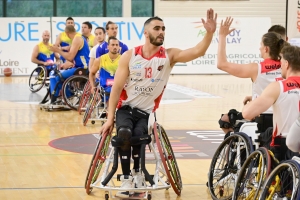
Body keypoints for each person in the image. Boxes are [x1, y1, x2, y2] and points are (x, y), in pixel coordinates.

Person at [99, 9, 217, 198]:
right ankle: (127, 178)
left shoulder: (169, 56)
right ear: (146, 33)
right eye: (157, 28)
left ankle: (138, 176)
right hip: (125, 108)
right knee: (124, 134)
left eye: (163, 29)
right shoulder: (130, 56)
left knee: (138, 136)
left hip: (146, 112)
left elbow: (197, 51)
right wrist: (109, 117)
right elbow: (116, 89)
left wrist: (209, 33)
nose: (161, 32)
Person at [217, 17, 287, 138]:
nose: (259, 47)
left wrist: (222, 36)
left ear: (266, 48)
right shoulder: (287, 65)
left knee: (225, 120)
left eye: (261, 45)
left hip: (262, 117)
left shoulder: (256, 68)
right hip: (283, 116)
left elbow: (221, 64)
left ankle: (233, 148)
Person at [242, 44, 300, 161]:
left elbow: (247, 114)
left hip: (284, 144)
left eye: (281, 63)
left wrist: (253, 101)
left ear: (287, 64)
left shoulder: (278, 87)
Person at [242, 24, 288, 105]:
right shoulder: (290, 61)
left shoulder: (258, 68)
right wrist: (255, 97)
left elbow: (222, 64)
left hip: (266, 111)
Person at [47, 25, 90, 104]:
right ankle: (65, 96)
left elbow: (70, 57)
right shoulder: (79, 37)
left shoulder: (77, 39)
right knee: (58, 73)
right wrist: (66, 64)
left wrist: (58, 50)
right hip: (80, 67)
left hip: (81, 69)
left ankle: (58, 98)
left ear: (67, 33)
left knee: (54, 75)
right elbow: (75, 57)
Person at [89, 36, 120, 112]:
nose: (115, 47)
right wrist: (93, 86)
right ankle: (110, 112)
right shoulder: (100, 59)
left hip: (119, 87)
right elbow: (92, 73)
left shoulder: (123, 59)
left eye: (116, 45)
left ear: (119, 47)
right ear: (108, 47)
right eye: (112, 45)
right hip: (105, 87)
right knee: (113, 91)